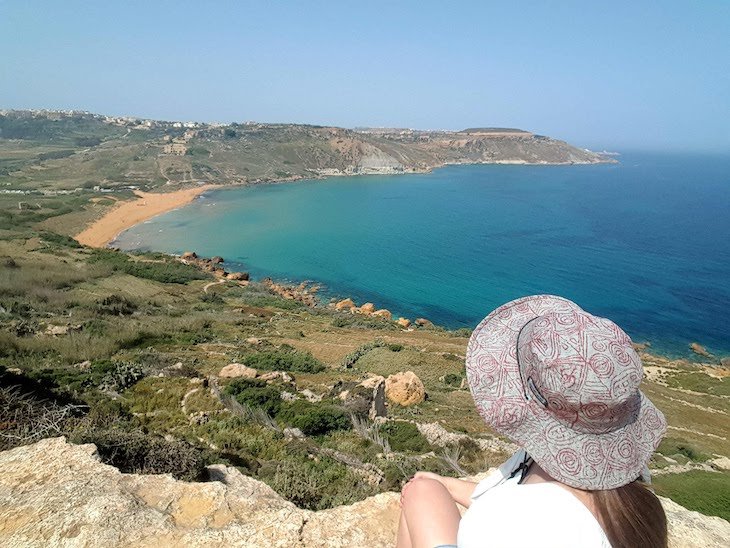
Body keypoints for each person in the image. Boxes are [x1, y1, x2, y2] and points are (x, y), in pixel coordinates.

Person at [396, 295, 668, 548]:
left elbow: (513, 514)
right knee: (424, 488)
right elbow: (522, 503)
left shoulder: (500, 526)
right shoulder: (640, 509)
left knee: (419, 493)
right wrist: (447, 484)